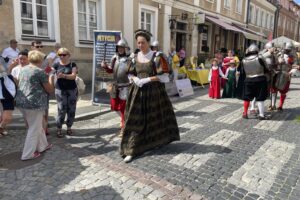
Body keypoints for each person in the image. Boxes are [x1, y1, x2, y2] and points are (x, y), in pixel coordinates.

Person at [120, 29, 180, 163]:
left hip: (154, 93)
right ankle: (131, 149)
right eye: (138, 43)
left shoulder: (158, 56)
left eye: (143, 42)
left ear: (148, 42)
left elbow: (164, 76)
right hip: (137, 93)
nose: (140, 45)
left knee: (155, 119)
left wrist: (146, 80)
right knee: (135, 121)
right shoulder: (134, 57)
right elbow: (129, 73)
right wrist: (134, 79)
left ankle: (155, 142)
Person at [15, 50, 53, 160]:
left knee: (37, 126)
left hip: (22, 102)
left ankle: (43, 146)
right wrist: (50, 76)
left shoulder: (23, 69)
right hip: (34, 104)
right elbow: (49, 89)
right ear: (40, 60)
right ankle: (27, 154)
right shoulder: (39, 72)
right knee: (34, 128)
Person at [101, 38, 131, 137]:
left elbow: (132, 72)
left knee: (123, 108)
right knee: (114, 106)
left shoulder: (130, 59)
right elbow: (111, 70)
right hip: (115, 85)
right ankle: (124, 119)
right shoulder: (114, 58)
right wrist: (105, 67)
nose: (120, 49)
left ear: (126, 48)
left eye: (122, 47)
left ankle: (124, 126)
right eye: (119, 47)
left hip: (125, 86)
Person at [239, 44, 270, 120]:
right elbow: (267, 68)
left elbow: (241, 70)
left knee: (247, 97)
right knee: (260, 97)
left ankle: (245, 113)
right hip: (260, 79)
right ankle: (261, 115)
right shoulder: (260, 57)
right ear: (257, 50)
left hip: (248, 80)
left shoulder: (243, 59)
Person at [52, 48, 78, 138]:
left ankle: (69, 127)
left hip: (72, 90)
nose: (62, 56)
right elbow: (49, 72)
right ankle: (59, 128)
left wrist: (63, 76)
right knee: (61, 109)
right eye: (60, 55)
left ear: (68, 55)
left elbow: (73, 76)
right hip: (60, 90)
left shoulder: (72, 64)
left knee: (71, 109)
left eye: (64, 54)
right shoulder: (56, 64)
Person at [31, 40, 50, 135]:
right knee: (32, 110)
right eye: (37, 46)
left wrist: (49, 72)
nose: (39, 48)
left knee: (45, 108)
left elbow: (48, 70)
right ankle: (33, 129)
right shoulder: (28, 57)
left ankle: (45, 128)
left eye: (41, 46)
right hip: (32, 87)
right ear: (32, 47)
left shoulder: (45, 58)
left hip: (43, 86)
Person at [0, 63, 16, 137]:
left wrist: (10, 67)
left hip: (7, 94)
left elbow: (5, 72)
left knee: (7, 117)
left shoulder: (5, 74)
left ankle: (1, 128)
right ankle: (1, 130)